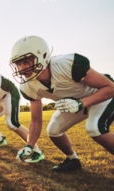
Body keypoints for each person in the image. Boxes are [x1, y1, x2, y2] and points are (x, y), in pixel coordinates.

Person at [9, 35, 114, 172]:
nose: (22, 68)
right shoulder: (28, 86)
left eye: (26, 61)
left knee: (94, 127)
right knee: (53, 130)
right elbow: (35, 120)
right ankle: (72, 160)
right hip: (75, 104)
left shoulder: (67, 64)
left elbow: (110, 88)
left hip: (101, 95)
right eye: (18, 63)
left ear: (43, 55)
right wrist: (29, 145)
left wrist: (81, 103)